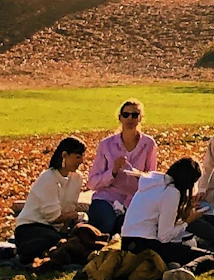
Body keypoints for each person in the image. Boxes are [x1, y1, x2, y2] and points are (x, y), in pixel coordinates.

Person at [119, 157, 206, 268]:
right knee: (211, 257)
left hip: (127, 243)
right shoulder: (171, 191)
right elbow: (164, 237)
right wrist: (186, 222)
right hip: (146, 244)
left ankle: (171, 266)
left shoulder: (151, 184)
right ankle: (187, 269)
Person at [85, 102, 156, 237]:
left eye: (134, 115)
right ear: (120, 118)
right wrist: (113, 171)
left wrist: (139, 175)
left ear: (140, 118)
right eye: (126, 115)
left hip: (133, 200)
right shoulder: (106, 145)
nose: (130, 119)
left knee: (125, 228)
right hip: (107, 197)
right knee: (107, 222)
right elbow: (92, 182)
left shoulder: (148, 144)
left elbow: (151, 178)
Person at [15, 138, 88, 266]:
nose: (81, 161)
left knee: (77, 240)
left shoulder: (77, 178)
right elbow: (53, 217)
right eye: (77, 157)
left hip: (55, 229)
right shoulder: (48, 178)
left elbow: (69, 208)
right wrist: (75, 215)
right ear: (64, 155)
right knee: (56, 241)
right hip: (31, 227)